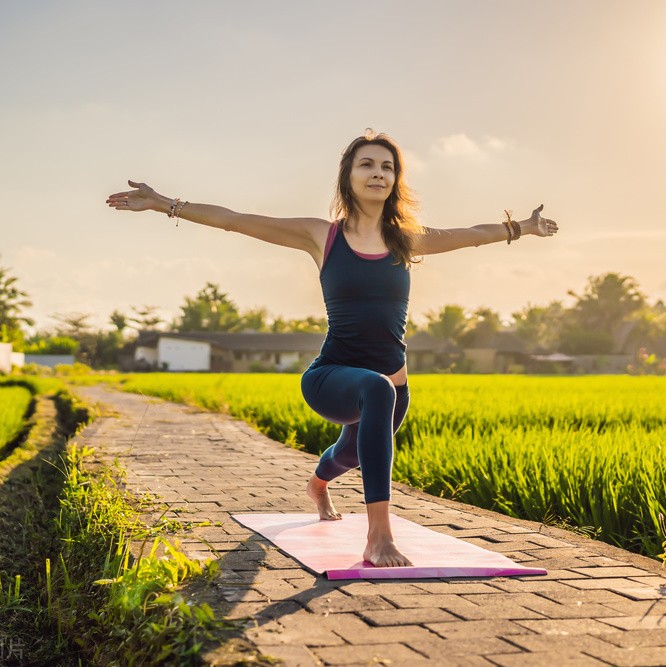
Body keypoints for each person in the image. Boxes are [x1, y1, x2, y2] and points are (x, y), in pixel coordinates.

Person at [106, 130, 559, 567]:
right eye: (367, 164)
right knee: (376, 389)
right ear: (348, 176)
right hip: (330, 379)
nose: (378, 173)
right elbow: (236, 220)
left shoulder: (406, 239)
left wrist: (524, 227)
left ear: (395, 179)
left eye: (387, 167)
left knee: (351, 454)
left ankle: (318, 485)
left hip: (393, 390)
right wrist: (163, 203)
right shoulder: (321, 235)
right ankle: (379, 536)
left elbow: (472, 233)